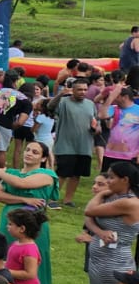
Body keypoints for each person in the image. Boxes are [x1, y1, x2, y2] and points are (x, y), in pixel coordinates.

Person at [0, 140, 58, 284]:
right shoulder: (12, 173)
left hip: (33, 227)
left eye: (35, 152)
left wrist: (0, 172)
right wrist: (24, 199)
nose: (29, 153)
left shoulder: (46, 175)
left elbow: (21, 183)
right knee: (6, 260)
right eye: (28, 150)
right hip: (9, 222)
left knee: (36, 267)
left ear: (43, 158)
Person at [85, 163, 139, 284]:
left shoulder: (129, 202)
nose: (108, 181)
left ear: (125, 180)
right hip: (98, 260)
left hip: (115, 262)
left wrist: (100, 195)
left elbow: (89, 211)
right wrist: (100, 232)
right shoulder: (113, 197)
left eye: (111, 177)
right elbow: (88, 219)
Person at [52, 78, 98, 208]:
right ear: (73, 90)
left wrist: (96, 128)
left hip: (84, 146)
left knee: (76, 174)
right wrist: (60, 94)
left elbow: (95, 123)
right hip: (65, 145)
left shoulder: (90, 104)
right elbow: (50, 107)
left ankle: (68, 199)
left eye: (85, 89)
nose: (83, 92)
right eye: (79, 89)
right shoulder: (64, 102)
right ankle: (52, 198)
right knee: (62, 174)